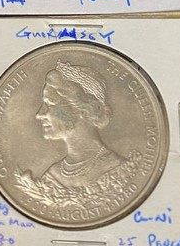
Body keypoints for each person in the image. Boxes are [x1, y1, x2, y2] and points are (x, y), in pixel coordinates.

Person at [34, 60, 125, 188]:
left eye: (50, 104)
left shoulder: (119, 171)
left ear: (84, 109)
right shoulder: (51, 175)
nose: (39, 114)